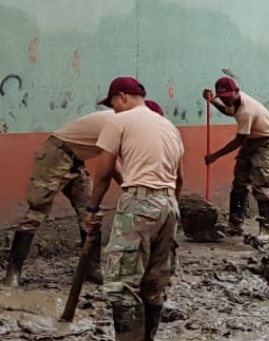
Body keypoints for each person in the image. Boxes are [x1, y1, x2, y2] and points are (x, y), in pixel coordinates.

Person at [3, 99, 165, 288]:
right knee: (37, 211)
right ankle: (13, 273)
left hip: (75, 161)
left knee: (91, 213)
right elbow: (110, 165)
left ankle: (92, 268)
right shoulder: (116, 123)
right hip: (56, 154)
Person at [83, 77, 184, 341]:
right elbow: (179, 179)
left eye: (113, 102)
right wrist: (168, 206)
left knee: (120, 281)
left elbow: (103, 173)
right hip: (168, 206)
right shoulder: (169, 126)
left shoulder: (120, 121)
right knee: (154, 282)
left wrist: (91, 208)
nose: (112, 108)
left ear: (123, 97)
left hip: (139, 203)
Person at [202, 77, 269, 238]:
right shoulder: (234, 102)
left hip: (266, 142)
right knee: (239, 181)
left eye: (228, 97)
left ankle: (265, 230)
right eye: (222, 98)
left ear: (237, 92)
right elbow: (228, 110)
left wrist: (215, 156)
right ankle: (236, 223)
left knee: (261, 184)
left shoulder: (246, 110)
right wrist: (211, 101)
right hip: (251, 139)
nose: (226, 100)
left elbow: (239, 140)